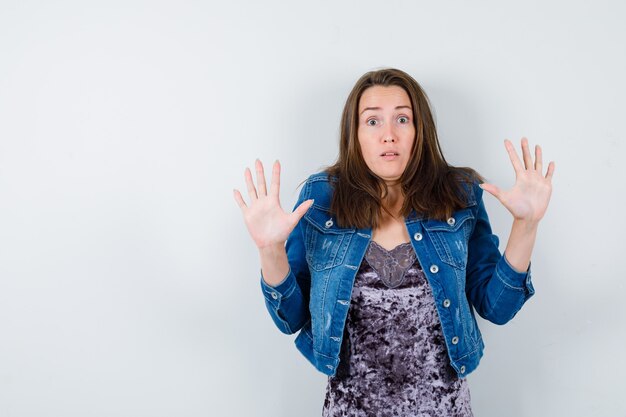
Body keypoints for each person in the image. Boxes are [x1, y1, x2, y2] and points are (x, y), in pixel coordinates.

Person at [233, 68, 555, 416]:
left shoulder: (459, 194)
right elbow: (290, 318)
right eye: (372, 122)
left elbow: (498, 307)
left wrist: (526, 225)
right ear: (354, 134)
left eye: (402, 119)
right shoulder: (320, 197)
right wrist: (269, 249)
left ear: (420, 130)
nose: (389, 135)